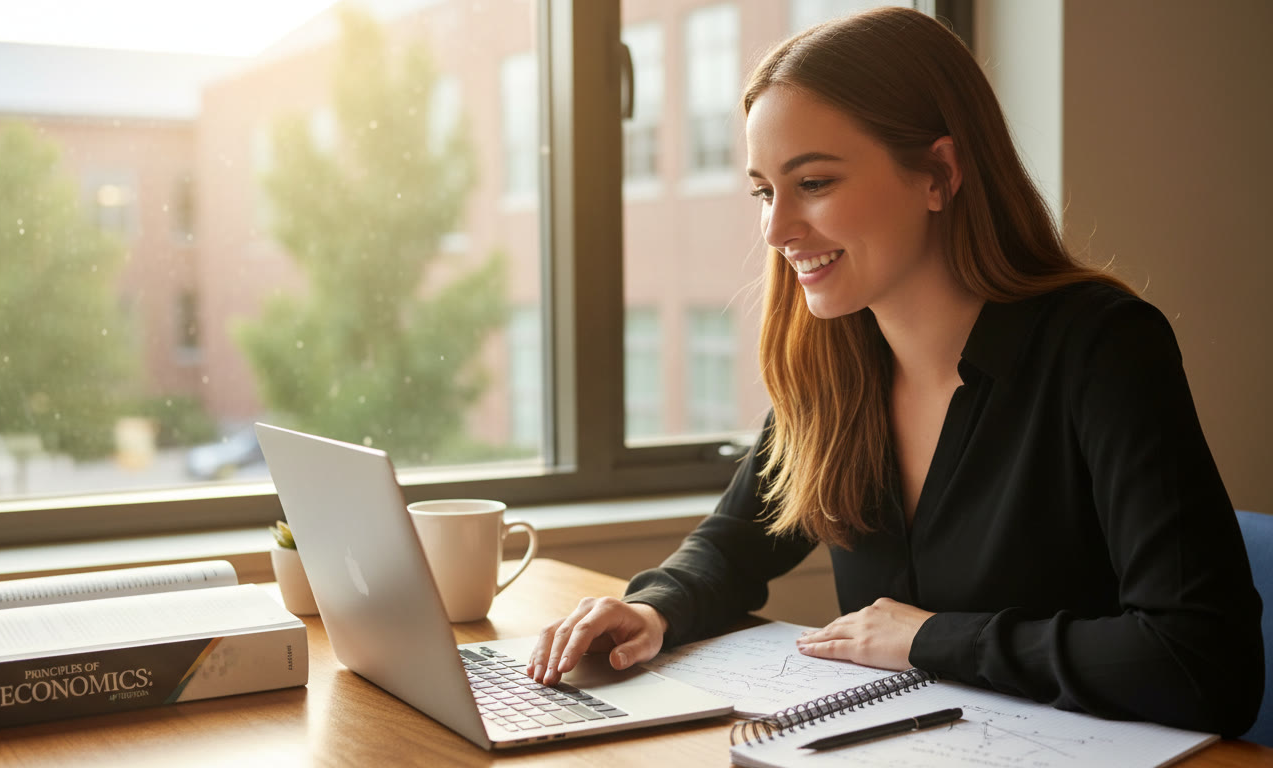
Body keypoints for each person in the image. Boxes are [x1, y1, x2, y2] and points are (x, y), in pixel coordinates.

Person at [527, 6, 1263, 738]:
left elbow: (1205, 664)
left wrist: (929, 638)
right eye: (762, 190)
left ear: (939, 173)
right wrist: (653, 607)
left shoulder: (1103, 350)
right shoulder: (838, 362)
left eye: (812, 182)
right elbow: (733, 543)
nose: (776, 229)